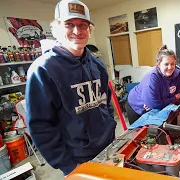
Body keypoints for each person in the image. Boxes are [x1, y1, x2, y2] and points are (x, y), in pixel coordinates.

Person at [25, 0, 116, 176]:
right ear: (57, 28)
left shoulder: (97, 65)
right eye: (69, 25)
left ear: (90, 29)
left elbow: (106, 102)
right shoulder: (43, 69)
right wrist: (67, 165)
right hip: (77, 159)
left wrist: (110, 130)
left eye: (83, 25)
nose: (77, 31)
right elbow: (40, 125)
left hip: (108, 148)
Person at [125, 45, 180, 125]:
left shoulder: (178, 74)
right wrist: (171, 99)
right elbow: (154, 104)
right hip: (137, 105)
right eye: (166, 64)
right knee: (141, 133)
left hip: (154, 104)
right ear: (159, 65)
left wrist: (159, 102)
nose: (170, 67)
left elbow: (178, 95)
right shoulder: (152, 77)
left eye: (172, 64)